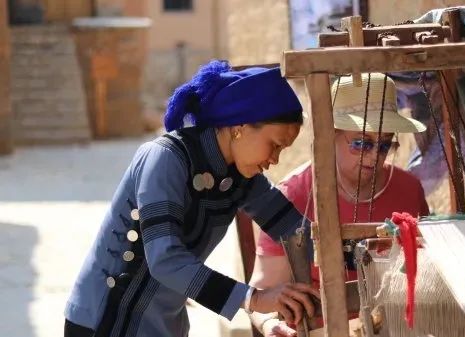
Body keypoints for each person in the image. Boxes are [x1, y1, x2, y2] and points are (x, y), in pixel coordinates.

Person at [63, 60, 320, 337]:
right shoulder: (165, 159)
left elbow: (297, 231)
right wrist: (254, 299)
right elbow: (165, 259)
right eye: (275, 145)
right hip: (108, 320)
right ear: (240, 127)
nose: (275, 159)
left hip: (162, 325)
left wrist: (358, 255)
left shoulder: (241, 177)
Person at [248, 73, 430, 337]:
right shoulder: (292, 197)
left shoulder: (409, 190)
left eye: (384, 145)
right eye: (361, 143)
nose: (373, 156)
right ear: (329, 135)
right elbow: (263, 290)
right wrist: (269, 325)